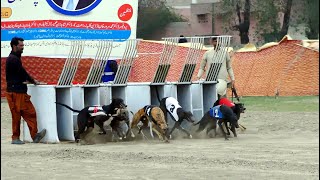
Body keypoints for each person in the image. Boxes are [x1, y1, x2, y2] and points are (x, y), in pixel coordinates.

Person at [6, 37, 47, 144]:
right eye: (21, 46)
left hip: (21, 92)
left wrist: (28, 81)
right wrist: (33, 81)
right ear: (15, 46)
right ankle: (15, 138)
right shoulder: (13, 59)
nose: (23, 47)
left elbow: (19, 74)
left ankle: (35, 135)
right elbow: (22, 73)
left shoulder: (16, 58)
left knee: (30, 113)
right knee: (16, 115)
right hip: (15, 92)